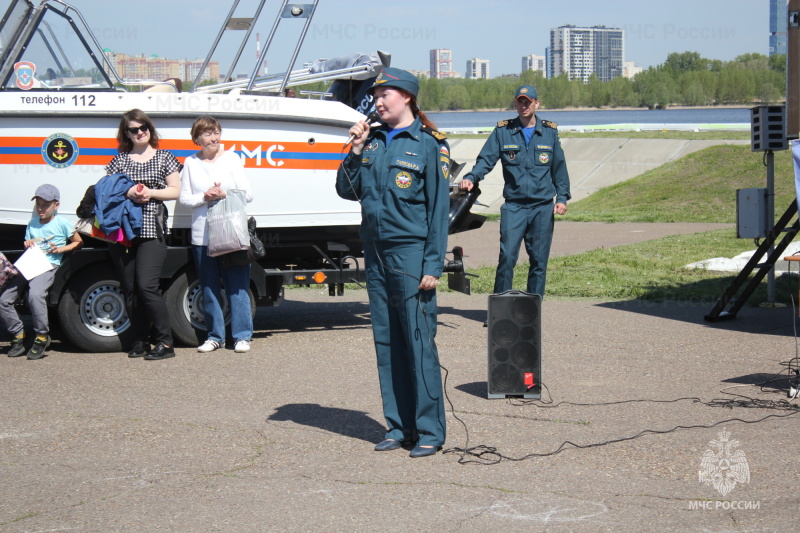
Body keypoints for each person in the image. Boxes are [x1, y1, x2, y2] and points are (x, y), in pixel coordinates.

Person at [335, 68, 450, 458]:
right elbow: (345, 190)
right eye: (376, 96)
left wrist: (433, 265)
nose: (378, 102)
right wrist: (353, 150)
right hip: (377, 255)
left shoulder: (430, 144)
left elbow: (438, 213)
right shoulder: (374, 142)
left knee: (418, 344)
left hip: (411, 256)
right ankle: (399, 428)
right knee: (387, 343)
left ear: (407, 98)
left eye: (385, 95)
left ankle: (430, 431)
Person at [459, 85, 571, 296]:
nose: (524, 105)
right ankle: (499, 310)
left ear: (536, 104)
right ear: (515, 104)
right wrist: (472, 177)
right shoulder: (503, 131)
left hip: (542, 207)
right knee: (507, 257)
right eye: (520, 101)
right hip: (514, 206)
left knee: (538, 261)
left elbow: (559, 168)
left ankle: (533, 310)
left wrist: (562, 198)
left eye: (528, 102)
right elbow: (486, 160)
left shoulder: (549, 132)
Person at [105, 109, 181, 360]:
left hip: (151, 230)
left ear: (150, 129)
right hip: (123, 233)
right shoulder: (119, 160)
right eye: (133, 130)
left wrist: (149, 192)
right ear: (125, 134)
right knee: (129, 288)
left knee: (147, 286)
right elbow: (108, 191)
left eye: (143, 128)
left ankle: (165, 343)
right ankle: (140, 340)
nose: (139, 133)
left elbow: (175, 191)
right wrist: (128, 193)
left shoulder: (164, 157)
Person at [179, 116, 254, 353]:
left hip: (231, 233)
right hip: (203, 235)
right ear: (197, 139)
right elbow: (184, 198)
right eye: (208, 133)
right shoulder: (190, 163)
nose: (214, 137)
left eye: (216, 132)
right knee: (209, 287)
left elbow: (248, 194)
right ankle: (215, 337)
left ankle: (242, 336)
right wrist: (205, 197)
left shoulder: (232, 159)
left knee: (237, 286)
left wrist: (223, 193)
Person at [1, 184, 83, 359]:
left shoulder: (62, 223)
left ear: (56, 205)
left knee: (35, 295)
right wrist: (27, 243)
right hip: (30, 263)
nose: (41, 208)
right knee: (4, 299)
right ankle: (18, 335)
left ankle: (41, 336)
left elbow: (78, 242)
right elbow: (28, 242)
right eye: (38, 204)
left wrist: (60, 250)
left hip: (48, 265)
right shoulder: (32, 223)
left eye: (46, 205)